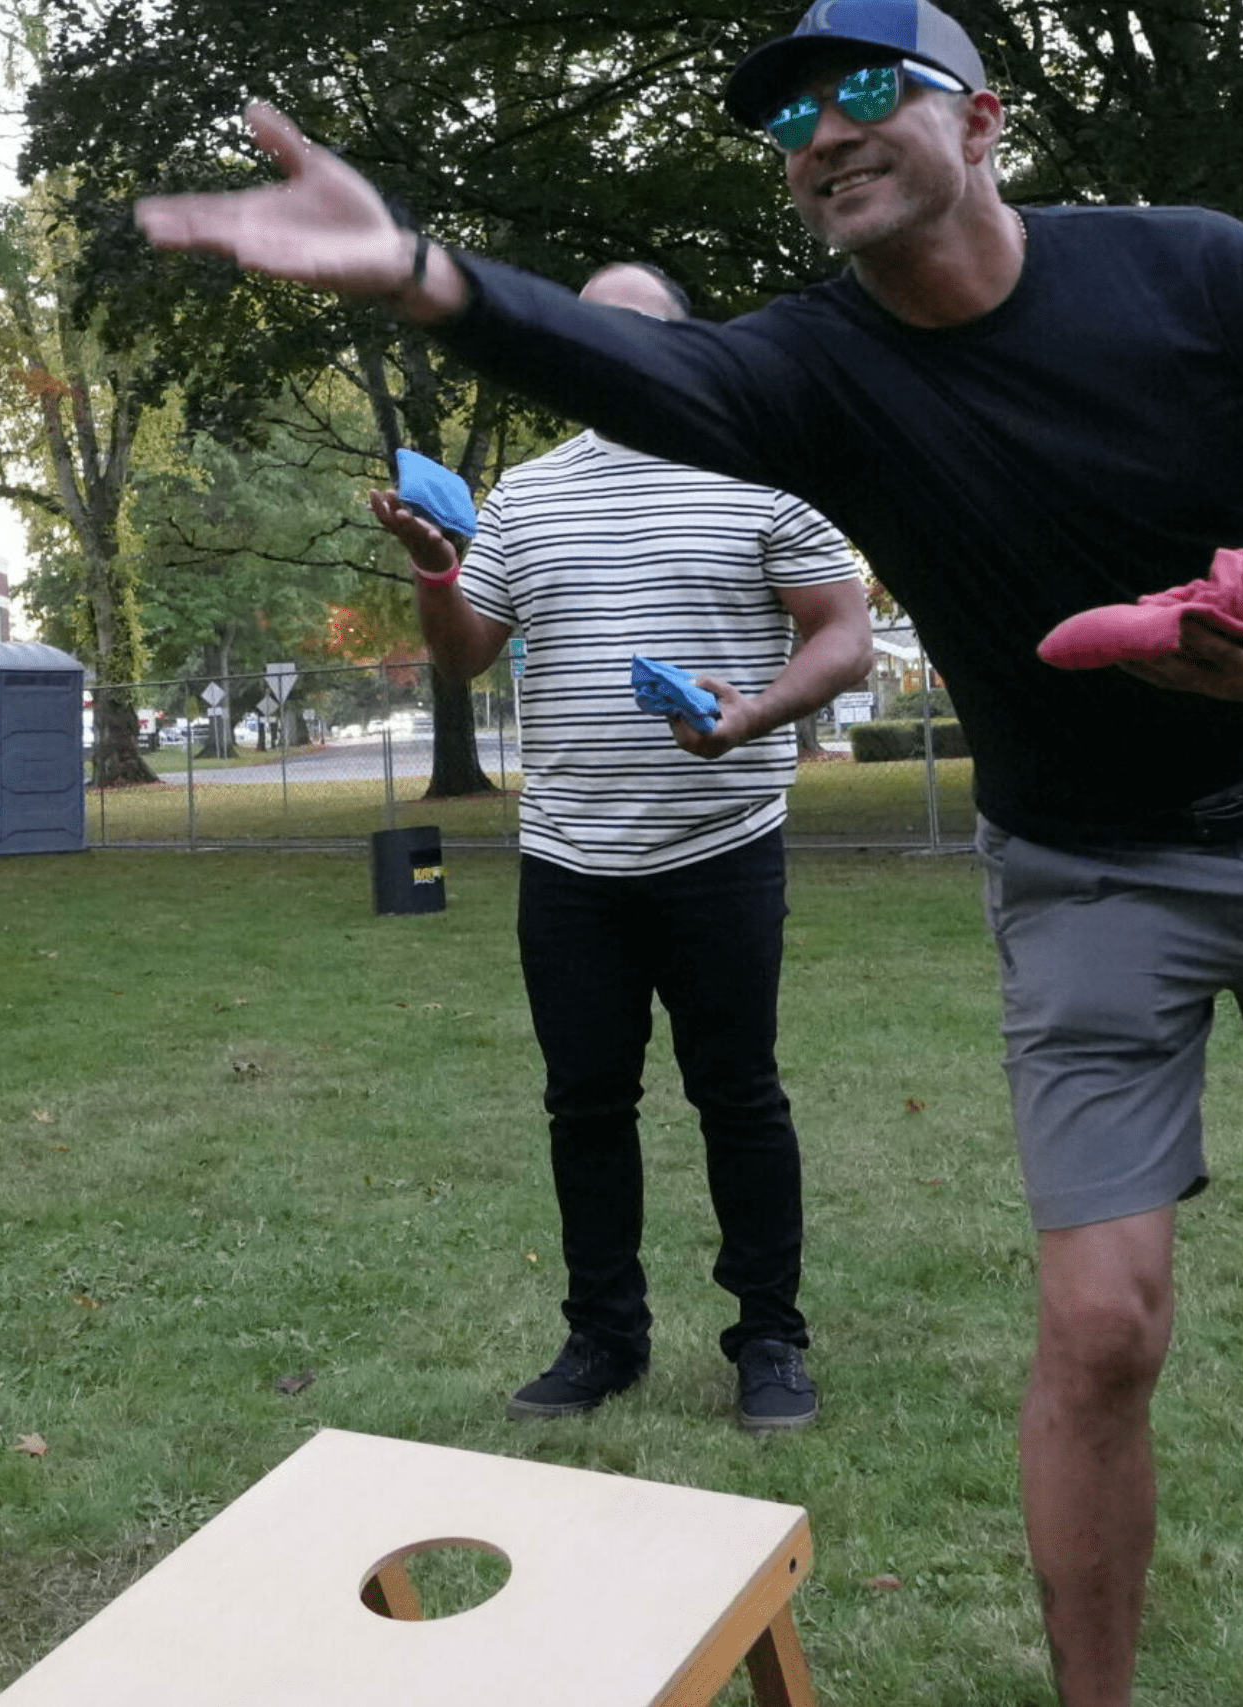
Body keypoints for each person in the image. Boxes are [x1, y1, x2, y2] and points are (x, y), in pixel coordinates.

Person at [139, 2, 1243, 1698]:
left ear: (986, 119)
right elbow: (641, 365)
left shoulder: (1199, 271)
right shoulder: (816, 367)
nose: (820, 130)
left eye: (865, 88)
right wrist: (426, 275)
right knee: (1101, 1324)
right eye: (789, 115)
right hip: (1089, 871)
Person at [368, 260, 873, 1432]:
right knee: (583, 1106)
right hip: (570, 862)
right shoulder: (528, 498)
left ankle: (769, 1341)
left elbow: (843, 633)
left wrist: (749, 713)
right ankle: (604, 1338)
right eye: (596, 333)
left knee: (738, 1097)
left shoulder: (762, 466)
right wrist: (437, 569)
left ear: (687, 350)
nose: (616, 353)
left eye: (640, 336)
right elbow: (461, 655)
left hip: (722, 843)